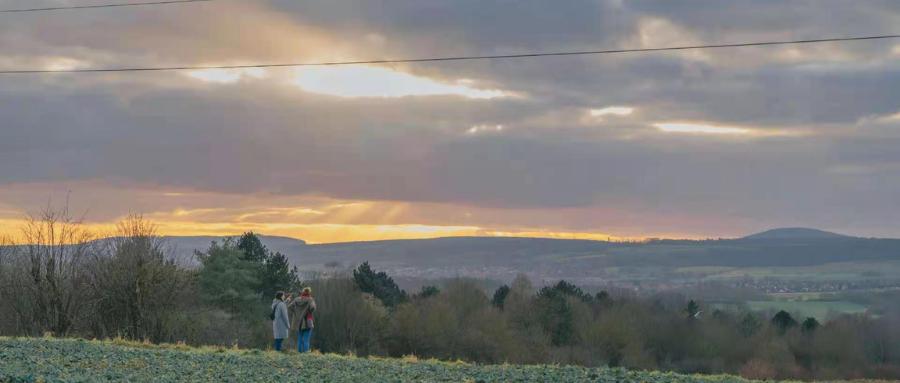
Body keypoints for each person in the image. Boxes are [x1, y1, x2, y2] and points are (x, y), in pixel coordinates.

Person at [289, 287, 316, 353]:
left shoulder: (296, 299)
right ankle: (306, 353)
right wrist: (309, 312)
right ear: (309, 292)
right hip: (307, 321)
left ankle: (300, 353)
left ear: (303, 292)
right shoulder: (310, 300)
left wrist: (296, 313)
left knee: (300, 338)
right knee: (306, 339)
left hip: (298, 322)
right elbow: (313, 307)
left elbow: (289, 306)